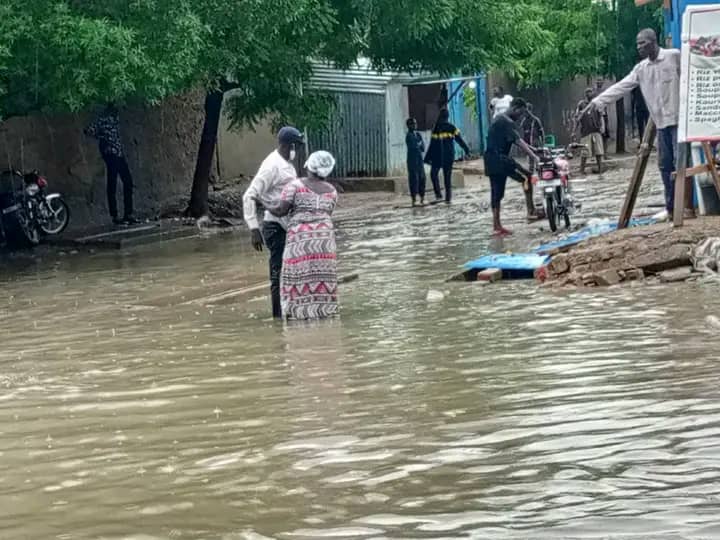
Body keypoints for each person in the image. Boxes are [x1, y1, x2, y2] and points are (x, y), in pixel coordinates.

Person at [585, 29, 681, 216]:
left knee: (680, 164)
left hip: (678, 121)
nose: (638, 47)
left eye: (642, 43)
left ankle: (684, 207)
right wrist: (597, 102)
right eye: (637, 44)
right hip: (661, 124)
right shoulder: (641, 69)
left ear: (653, 42)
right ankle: (671, 208)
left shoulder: (673, 57)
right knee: (665, 166)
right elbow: (622, 86)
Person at [258, 151, 339, 321]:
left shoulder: (295, 186)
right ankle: (323, 314)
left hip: (300, 240)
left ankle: (297, 316)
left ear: (309, 166)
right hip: (324, 240)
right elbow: (328, 212)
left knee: (296, 277)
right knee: (322, 277)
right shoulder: (332, 191)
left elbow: (281, 210)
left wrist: (263, 202)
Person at [243, 126, 304, 319]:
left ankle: (291, 312)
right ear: (288, 145)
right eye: (296, 146)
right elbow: (249, 195)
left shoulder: (287, 165)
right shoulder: (272, 166)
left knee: (292, 273)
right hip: (275, 226)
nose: (298, 150)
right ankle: (278, 318)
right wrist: (253, 228)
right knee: (278, 275)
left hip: (287, 226)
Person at [484, 98, 539, 236]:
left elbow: (516, 140)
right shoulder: (507, 122)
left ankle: (496, 225)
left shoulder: (499, 119)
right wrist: (534, 156)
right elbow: (518, 141)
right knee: (527, 177)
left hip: (491, 159)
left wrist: (534, 150)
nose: (520, 116)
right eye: (520, 113)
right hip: (501, 159)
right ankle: (530, 211)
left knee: (496, 192)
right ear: (515, 108)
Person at [84, 104, 137, 225]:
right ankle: (117, 215)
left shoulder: (114, 119)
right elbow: (88, 130)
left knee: (126, 182)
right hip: (111, 154)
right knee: (113, 183)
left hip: (118, 153)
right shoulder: (104, 120)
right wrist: (101, 137)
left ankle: (127, 214)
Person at [424, 109, 470, 204]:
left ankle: (438, 195)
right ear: (447, 117)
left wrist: (427, 158)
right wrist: (466, 150)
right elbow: (459, 140)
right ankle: (448, 198)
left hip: (438, 156)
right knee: (447, 177)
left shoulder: (436, 128)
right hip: (448, 156)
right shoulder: (451, 127)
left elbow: (432, 144)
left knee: (433, 174)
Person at [574, 88, 605, 175]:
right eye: (587, 92)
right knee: (584, 152)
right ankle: (581, 170)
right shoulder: (581, 104)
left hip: (596, 130)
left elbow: (601, 115)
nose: (589, 93)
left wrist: (603, 126)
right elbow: (577, 118)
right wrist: (574, 131)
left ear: (593, 93)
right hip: (585, 131)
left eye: (590, 92)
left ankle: (600, 169)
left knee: (599, 151)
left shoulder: (597, 103)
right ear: (585, 94)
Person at [405, 118, 426, 206]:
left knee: (422, 178)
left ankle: (422, 198)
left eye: (415, 123)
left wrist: (419, 144)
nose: (415, 125)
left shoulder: (418, 134)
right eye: (413, 124)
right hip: (412, 160)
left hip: (420, 159)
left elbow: (423, 148)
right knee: (414, 179)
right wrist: (419, 144)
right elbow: (414, 146)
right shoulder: (409, 136)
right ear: (409, 126)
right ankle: (414, 199)